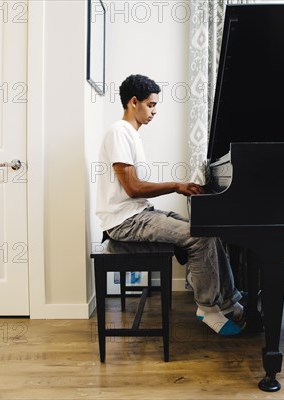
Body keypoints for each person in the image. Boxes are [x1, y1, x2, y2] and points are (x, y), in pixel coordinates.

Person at [95, 74, 243, 336]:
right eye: (151, 105)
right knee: (198, 237)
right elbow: (133, 188)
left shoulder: (131, 135)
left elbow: (135, 190)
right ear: (133, 102)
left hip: (139, 213)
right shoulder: (119, 132)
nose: (154, 111)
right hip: (124, 222)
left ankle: (229, 302)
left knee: (209, 227)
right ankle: (207, 308)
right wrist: (176, 185)